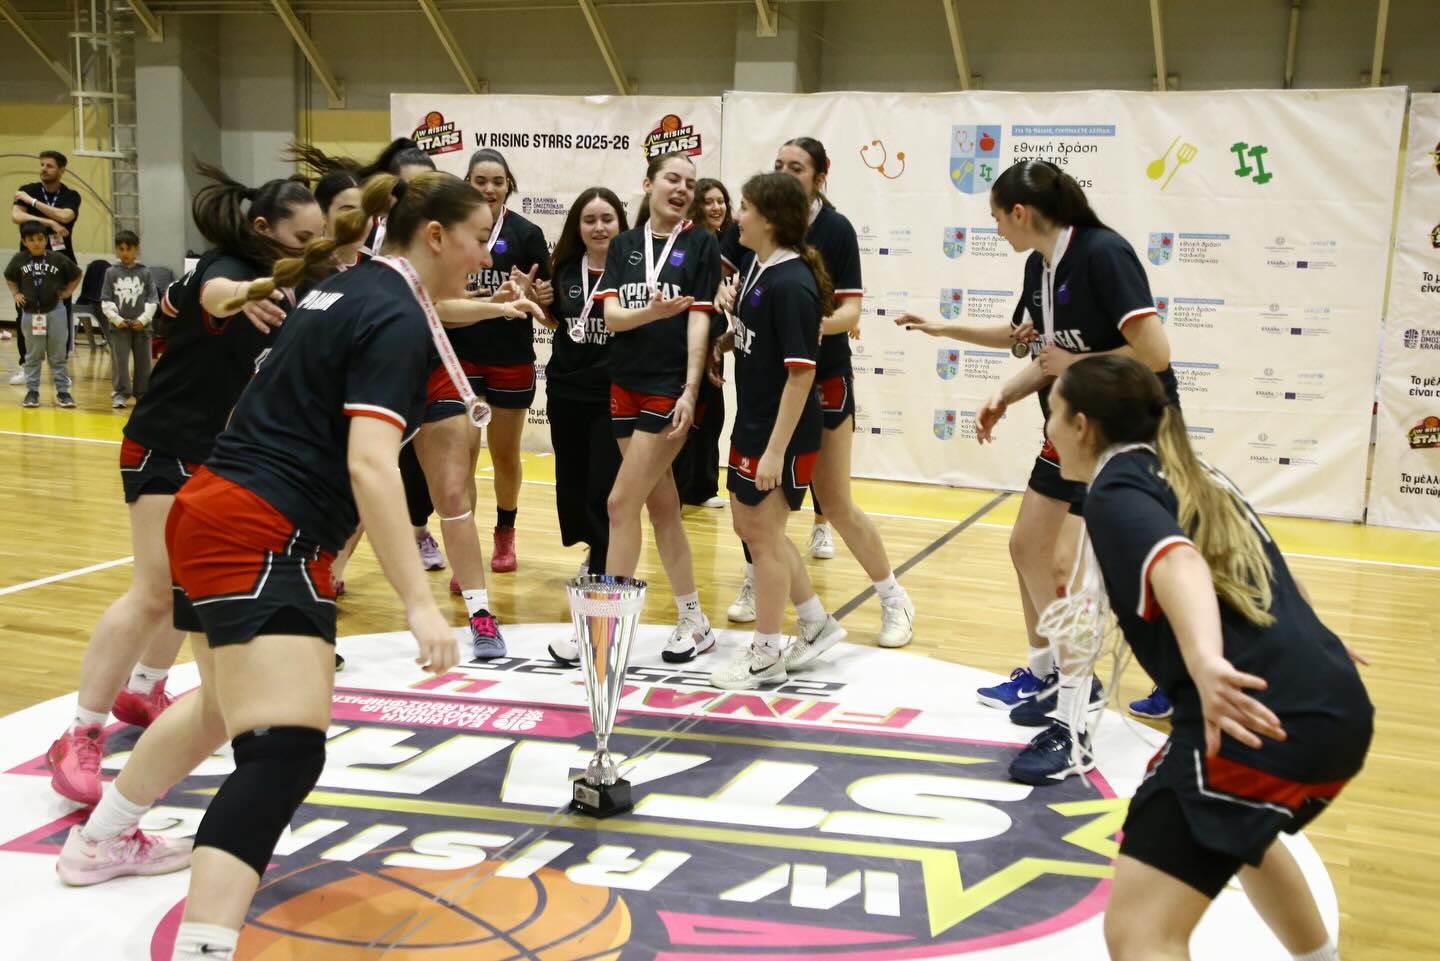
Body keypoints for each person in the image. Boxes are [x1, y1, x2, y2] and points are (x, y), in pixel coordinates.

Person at [55, 172, 485, 961]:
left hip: (210, 506)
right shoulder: (392, 313)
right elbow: (371, 464)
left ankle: (100, 839)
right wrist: (420, 603)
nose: (484, 255)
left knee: (221, 708)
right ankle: (205, 948)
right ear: (435, 236)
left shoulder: (349, 288)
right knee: (284, 749)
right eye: (479, 237)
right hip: (260, 529)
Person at [1043, 354, 1369, 961]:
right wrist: (1309, 639)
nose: (1048, 429)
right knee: (1238, 830)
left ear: (1081, 425)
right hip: (1332, 703)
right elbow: (1266, 570)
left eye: (1052, 412)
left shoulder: (1115, 489)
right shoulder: (1195, 472)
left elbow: (1179, 561)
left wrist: (1204, 661)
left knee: (1140, 932)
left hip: (1258, 718)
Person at [43, 166, 321, 806]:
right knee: (152, 590)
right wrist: (243, 292)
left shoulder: (300, 283)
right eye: (300, 239)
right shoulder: (229, 268)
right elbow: (216, 293)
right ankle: (79, 733)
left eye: (317, 239)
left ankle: (144, 689)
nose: (309, 250)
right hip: (162, 444)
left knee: (191, 587)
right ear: (262, 228)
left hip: (215, 455)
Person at [958, 160, 1178, 783]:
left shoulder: (1104, 253)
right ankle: (1055, 677)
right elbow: (1052, 357)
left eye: (997, 218)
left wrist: (1074, 363)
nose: (996, 229)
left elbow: (1154, 353)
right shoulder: (1040, 266)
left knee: (1073, 571)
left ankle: (1074, 727)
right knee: (1027, 546)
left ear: (1020, 212)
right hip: (1074, 425)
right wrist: (1005, 394)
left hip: (1127, 430)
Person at [719, 137, 915, 651]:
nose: (786, 172)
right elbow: (731, 283)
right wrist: (729, 302)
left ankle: (893, 597)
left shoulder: (835, 230)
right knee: (756, 517)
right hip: (770, 383)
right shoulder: (757, 234)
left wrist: (798, 329)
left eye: (797, 167)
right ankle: (772, 587)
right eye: (779, 164)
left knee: (834, 500)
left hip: (818, 376)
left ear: (819, 177)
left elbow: (850, 312)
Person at [708, 173, 847, 690]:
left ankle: (765, 655)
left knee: (763, 541)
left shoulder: (791, 284)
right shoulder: (757, 267)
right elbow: (760, 340)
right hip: (754, 420)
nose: (735, 217)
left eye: (743, 207)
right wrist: (725, 342)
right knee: (755, 530)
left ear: (768, 219)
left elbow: (801, 374)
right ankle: (814, 622)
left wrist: (774, 452)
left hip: (779, 433)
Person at [286, 142, 449, 584]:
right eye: (346, 209)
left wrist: (496, 307)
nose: (359, 218)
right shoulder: (304, 274)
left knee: (360, 492)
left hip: (334, 422)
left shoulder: (374, 271)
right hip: (293, 438)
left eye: (364, 210)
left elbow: (435, 307)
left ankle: (327, 577)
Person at [592, 151, 719, 662]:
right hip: (624, 384)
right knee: (661, 509)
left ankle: (607, 626)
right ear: (648, 184)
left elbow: (699, 321)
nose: (682, 188)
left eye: (690, 182)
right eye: (672, 178)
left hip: (669, 389)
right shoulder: (624, 244)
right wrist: (651, 311)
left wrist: (690, 389)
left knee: (619, 504)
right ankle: (694, 620)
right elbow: (613, 319)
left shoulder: (702, 243)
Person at [539, 187, 627, 663]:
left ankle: (602, 578)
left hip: (611, 396)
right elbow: (559, 323)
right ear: (578, 226)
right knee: (573, 485)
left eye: (607, 218)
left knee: (602, 490)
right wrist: (538, 302)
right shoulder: (565, 271)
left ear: (620, 224)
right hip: (566, 392)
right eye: (589, 219)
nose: (598, 227)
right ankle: (595, 551)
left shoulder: (632, 270)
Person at [462, 148, 553, 573]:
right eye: (480, 180)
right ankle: (464, 546)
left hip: (510, 359)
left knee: (503, 454)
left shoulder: (527, 233)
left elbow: (549, 311)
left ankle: (505, 531)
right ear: (467, 184)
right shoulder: (453, 230)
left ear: (508, 186)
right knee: (463, 457)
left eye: (497, 181)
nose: (489, 188)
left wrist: (536, 295)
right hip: (461, 358)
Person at [671, 177, 732, 509]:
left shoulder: (730, 242)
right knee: (687, 417)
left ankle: (703, 487)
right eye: (709, 201)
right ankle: (677, 493)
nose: (717, 207)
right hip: (689, 342)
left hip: (717, 340)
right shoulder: (688, 244)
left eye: (721, 201)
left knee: (712, 417)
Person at [11, 149, 81, 381]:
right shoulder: (28, 188)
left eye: (49, 166)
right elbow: (17, 216)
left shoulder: (70, 195)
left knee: (60, 316)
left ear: (61, 170)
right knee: (25, 314)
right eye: (42, 164)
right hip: (29, 264)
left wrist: (32, 203)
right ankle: (26, 366)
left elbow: (65, 216)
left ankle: (59, 369)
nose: (44, 169)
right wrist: (48, 221)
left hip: (60, 263)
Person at [5, 220, 80, 407]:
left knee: (58, 354)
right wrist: (15, 293)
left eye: (40, 239)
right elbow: (9, 276)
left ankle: (63, 392)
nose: (36, 243)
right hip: (31, 314)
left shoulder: (57, 258)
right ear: (24, 242)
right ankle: (32, 391)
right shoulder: (19, 259)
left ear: (46, 240)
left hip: (55, 311)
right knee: (33, 355)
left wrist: (68, 292)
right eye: (31, 240)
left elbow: (76, 274)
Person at [100, 229, 158, 409]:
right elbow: (106, 300)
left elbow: (153, 300)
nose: (125, 253)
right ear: (117, 250)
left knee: (144, 362)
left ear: (136, 250)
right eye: (121, 249)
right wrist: (116, 319)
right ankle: (120, 393)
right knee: (120, 362)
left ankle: (143, 394)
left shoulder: (145, 272)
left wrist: (144, 319)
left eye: (129, 249)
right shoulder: (111, 272)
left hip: (142, 327)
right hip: (119, 327)